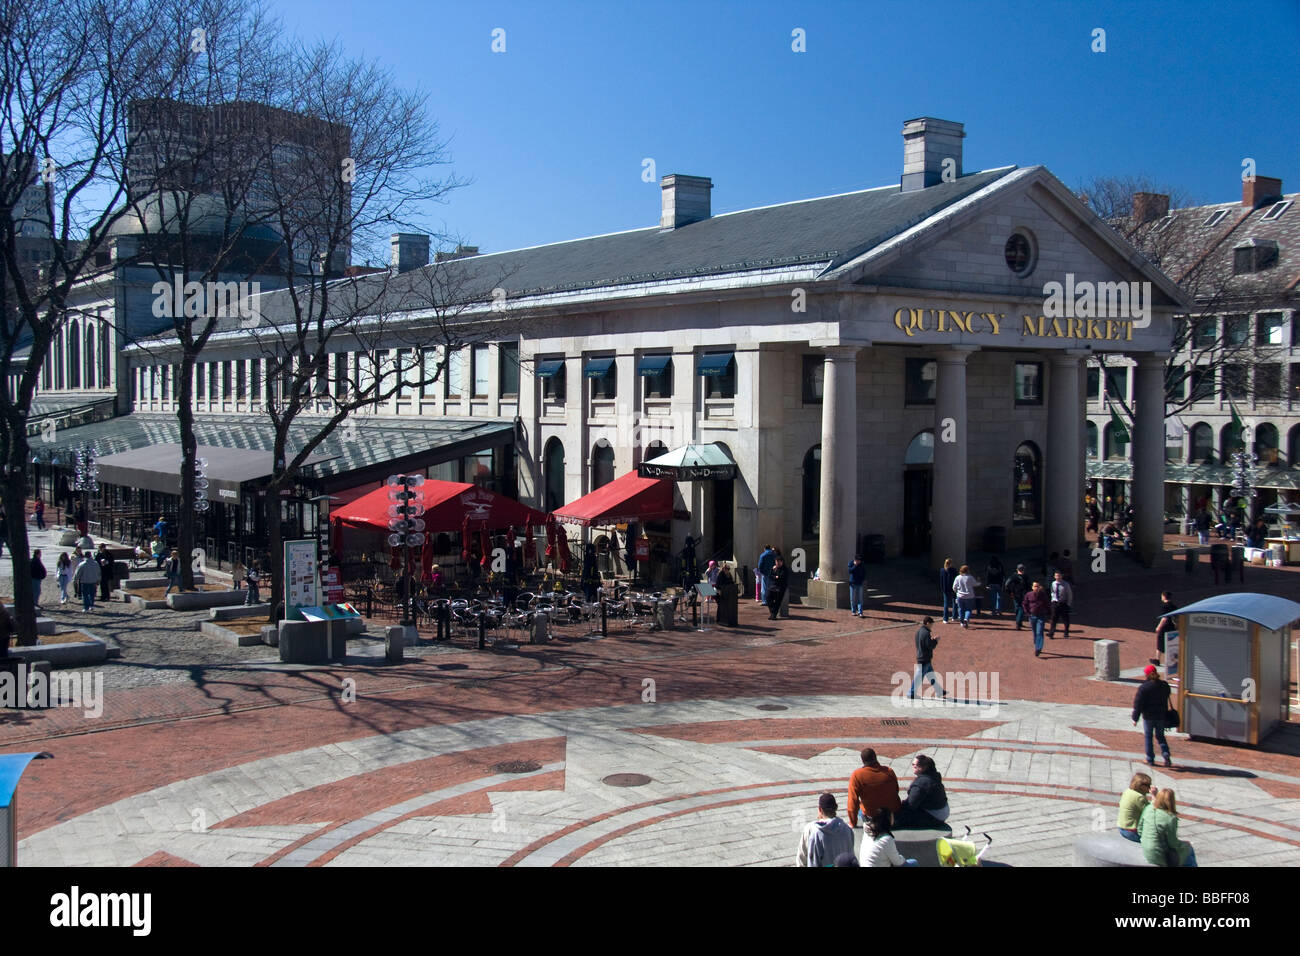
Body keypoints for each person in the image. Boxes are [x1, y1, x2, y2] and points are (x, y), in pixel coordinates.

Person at [1137, 788, 1196, 867]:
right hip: (1159, 855)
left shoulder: (1148, 808)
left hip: (1146, 849)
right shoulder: (1170, 818)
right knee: (1189, 851)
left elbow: (1140, 829)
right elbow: (1173, 843)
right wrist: (1185, 844)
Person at [795, 793, 855, 867]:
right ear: (836, 807)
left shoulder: (812, 830)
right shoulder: (847, 830)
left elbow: (803, 859)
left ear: (820, 809)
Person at [846, 747, 901, 827]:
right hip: (893, 815)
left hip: (872, 816)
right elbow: (896, 790)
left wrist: (852, 823)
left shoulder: (857, 775)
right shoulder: (889, 771)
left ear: (863, 760)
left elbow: (852, 802)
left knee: (860, 810)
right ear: (875, 757)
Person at [893, 754, 950, 829]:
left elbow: (911, 805)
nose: (913, 766)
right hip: (943, 810)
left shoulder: (921, 784)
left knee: (898, 819)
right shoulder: (934, 775)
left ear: (923, 768)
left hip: (935, 816)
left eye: (914, 764)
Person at [1132, 664, 1173, 767]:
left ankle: (1150, 759)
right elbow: (1167, 695)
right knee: (1160, 736)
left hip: (1148, 716)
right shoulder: (1164, 685)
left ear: (1147, 675)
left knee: (1148, 737)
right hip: (1161, 716)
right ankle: (1165, 753)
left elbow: (1138, 704)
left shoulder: (1144, 688)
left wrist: (1135, 718)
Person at [909, 616, 945, 699]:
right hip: (924, 658)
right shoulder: (926, 632)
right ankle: (911, 692)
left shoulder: (919, 631)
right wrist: (935, 640)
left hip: (921, 656)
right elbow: (930, 646)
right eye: (931, 624)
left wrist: (931, 640)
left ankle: (939, 691)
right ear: (928, 623)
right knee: (919, 676)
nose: (932, 626)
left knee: (931, 675)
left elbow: (923, 643)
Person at [1116, 772, 1155, 843]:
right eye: (1148, 785)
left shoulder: (1128, 791)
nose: (1150, 786)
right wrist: (1154, 796)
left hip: (1121, 826)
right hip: (1131, 831)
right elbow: (1151, 813)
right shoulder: (1139, 797)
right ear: (1141, 786)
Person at [1023, 580, 1051, 657]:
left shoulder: (1043, 595)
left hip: (1041, 616)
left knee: (1040, 632)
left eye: (1037, 586)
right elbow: (1024, 604)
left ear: (1039, 587)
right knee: (1035, 632)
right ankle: (1037, 644)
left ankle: (1038, 648)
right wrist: (1027, 613)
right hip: (1032, 616)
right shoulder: (1028, 594)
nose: (1036, 588)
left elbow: (1047, 604)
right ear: (1032, 587)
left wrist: (1049, 615)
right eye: (1035, 586)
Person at [1047, 571, 1073, 641]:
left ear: (1061, 576)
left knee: (1065, 619)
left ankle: (1066, 631)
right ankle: (1051, 633)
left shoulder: (1065, 584)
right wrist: (1052, 600)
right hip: (1055, 603)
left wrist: (1068, 604)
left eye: (1058, 576)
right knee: (1053, 618)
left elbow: (1069, 594)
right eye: (1056, 576)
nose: (1057, 577)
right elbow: (1052, 592)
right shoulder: (1053, 583)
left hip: (1063, 603)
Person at [1004, 564, 1029, 630]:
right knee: (1021, 608)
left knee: (1018, 608)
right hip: (1022, 594)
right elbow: (1029, 586)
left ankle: (1019, 622)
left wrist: (1009, 592)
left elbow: (1006, 584)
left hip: (1016, 594)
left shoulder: (1013, 576)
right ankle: (1018, 622)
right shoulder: (1025, 576)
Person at [1155, 591, 1178, 663]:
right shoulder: (1174, 606)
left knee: (1160, 643)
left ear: (1164, 597)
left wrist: (1158, 627)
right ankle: (1171, 660)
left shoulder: (1164, 606)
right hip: (1172, 626)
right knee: (1170, 643)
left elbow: (1164, 618)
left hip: (1165, 627)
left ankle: (1157, 659)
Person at [953, 564, 977, 629]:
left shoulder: (958, 577)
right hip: (969, 596)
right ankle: (966, 619)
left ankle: (961, 622)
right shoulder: (970, 577)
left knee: (960, 609)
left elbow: (954, 587)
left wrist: (957, 592)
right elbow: (975, 584)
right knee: (968, 609)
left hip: (960, 596)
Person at [714, 562, 738, 626]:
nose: (728, 570)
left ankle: (725, 619)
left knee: (726, 606)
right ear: (724, 568)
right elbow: (718, 584)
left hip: (727, 593)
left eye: (729, 569)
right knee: (720, 606)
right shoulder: (720, 575)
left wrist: (732, 585)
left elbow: (731, 582)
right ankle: (719, 619)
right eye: (727, 569)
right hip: (718, 592)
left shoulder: (729, 574)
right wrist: (720, 591)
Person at [766, 554, 788, 621]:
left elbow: (781, 577)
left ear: (782, 562)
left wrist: (776, 577)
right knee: (768, 597)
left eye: (778, 562)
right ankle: (773, 612)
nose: (777, 563)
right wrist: (774, 573)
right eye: (776, 562)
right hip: (773, 586)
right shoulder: (774, 568)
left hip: (780, 587)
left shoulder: (785, 569)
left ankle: (773, 615)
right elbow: (770, 576)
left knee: (777, 602)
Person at [938, 558, 956, 623]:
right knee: (954, 603)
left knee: (946, 604)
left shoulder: (942, 570)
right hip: (953, 589)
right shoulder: (953, 570)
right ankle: (954, 616)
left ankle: (945, 619)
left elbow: (941, 580)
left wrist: (942, 588)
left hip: (945, 589)